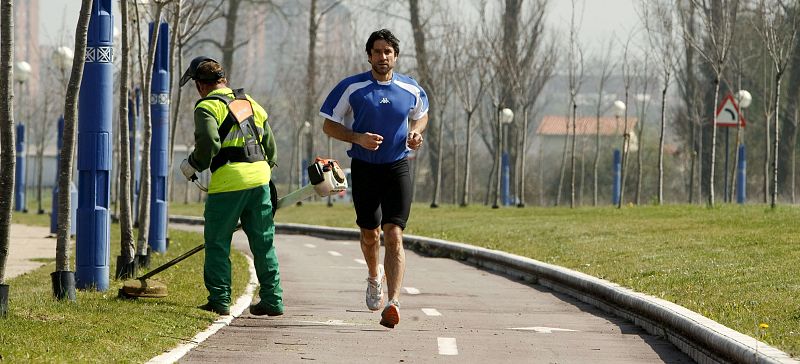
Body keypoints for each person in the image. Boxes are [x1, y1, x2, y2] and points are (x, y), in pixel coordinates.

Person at [319, 29, 429, 328]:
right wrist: (357, 138)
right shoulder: (352, 87)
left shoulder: (410, 88)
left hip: (397, 167)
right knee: (371, 235)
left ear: (395, 55)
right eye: (378, 52)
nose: (383, 57)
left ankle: (393, 303)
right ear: (369, 55)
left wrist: (416, 133)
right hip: (365, 168)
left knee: (393, 234)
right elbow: (329, 125)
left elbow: (422, 114)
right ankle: (373, 276)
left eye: (388, 52)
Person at [178, 56, 283, 317]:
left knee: (217, 242)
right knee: (263, 243)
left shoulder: (206, 107)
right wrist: (259, 172)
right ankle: (272, 299)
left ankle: (220, 299)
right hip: (259, 180)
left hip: (228, 184)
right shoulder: (250, 104)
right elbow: (270, 147)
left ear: (201, 86)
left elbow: (209, 145)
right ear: (223, 80)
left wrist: (193, 164)